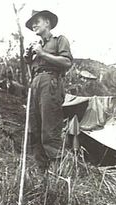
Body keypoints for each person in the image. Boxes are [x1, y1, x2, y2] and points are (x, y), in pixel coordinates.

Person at [24, 10, 73, 173]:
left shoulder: (59, 40)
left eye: (37, 21)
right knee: (34, 130)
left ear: (47, 22)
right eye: (32, 24)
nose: (34, 25)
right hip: (35, 85)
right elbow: (33, 71)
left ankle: (57, 172)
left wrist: (42, 54)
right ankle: (42, 173)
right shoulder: (35, 46)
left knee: (49, 128)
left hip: (50, 83)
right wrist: (28, 60)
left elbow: (66, 62)